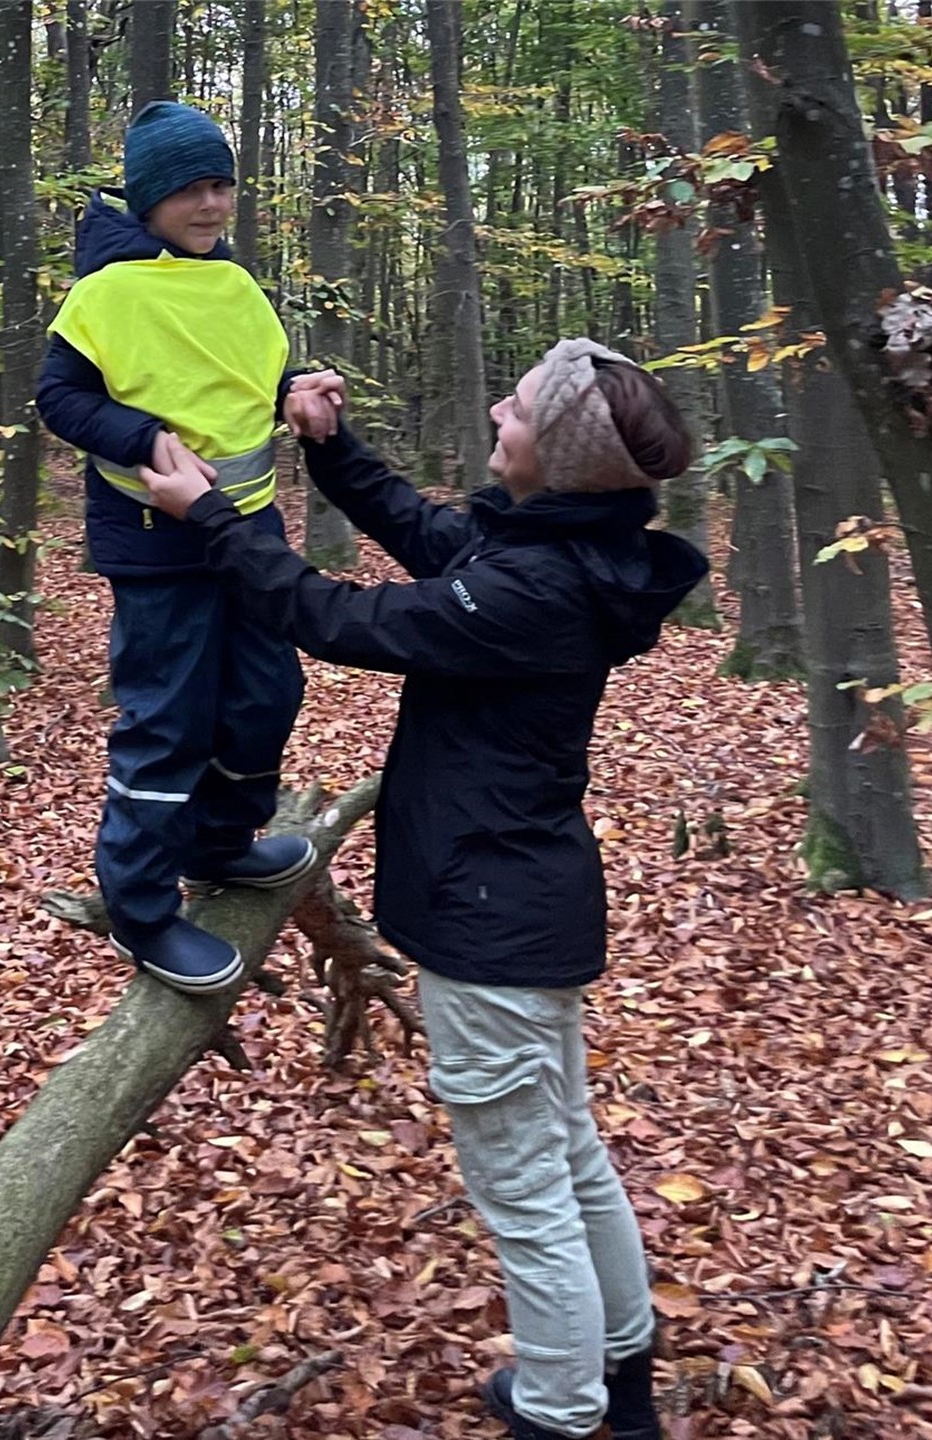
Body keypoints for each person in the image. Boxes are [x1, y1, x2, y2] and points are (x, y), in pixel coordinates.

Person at [138, 338, 707, 1440]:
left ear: (562, 457)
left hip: (488, 920)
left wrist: (209, 515)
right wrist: (333, 450)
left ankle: (560, 1412)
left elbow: (336, 619)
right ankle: (621, 1377)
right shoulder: (557, 549)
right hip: (521, 901)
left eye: (523, 409)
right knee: (569, 1155)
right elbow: (430, 534)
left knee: (526, 1190)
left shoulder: (533, 588)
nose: (500, 408)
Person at [35, 100, 342, 994]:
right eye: (192, 190)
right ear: (149, 198)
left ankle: (221, 847)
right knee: (170, 721)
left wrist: (296, 389)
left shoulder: (234, 283)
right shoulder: (104, 294)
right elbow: (60, 399)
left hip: (250, 531)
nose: (212, 205)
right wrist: (138, 439)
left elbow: (245, 374)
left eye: (222, 185)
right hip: (157, 543)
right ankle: (140, 909)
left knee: (266, 694)